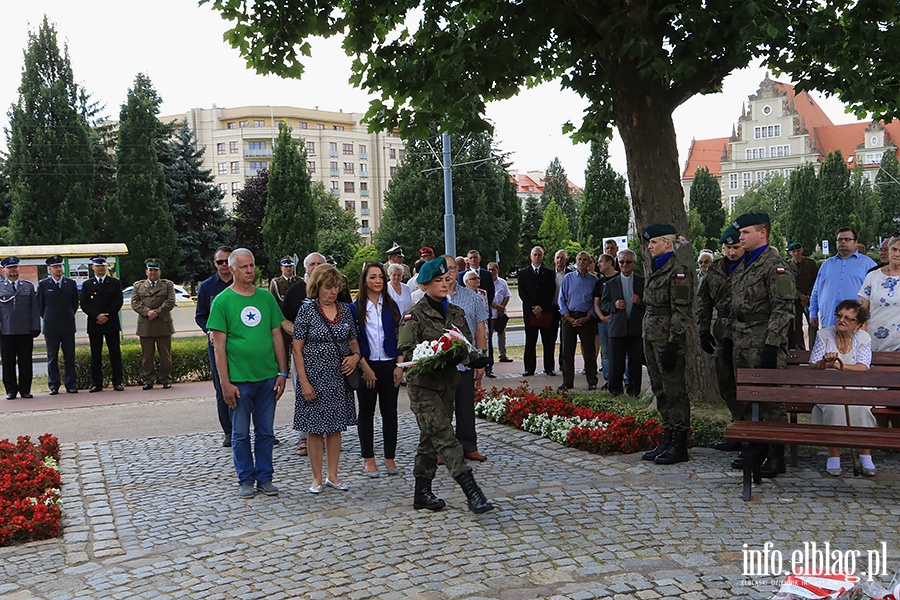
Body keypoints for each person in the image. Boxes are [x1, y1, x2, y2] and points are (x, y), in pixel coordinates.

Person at [397, 257, 493, 513]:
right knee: (444, 436)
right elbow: (407, 353)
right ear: (425, 286)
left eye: (445, 279)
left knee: (430, 440)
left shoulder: (456, 313)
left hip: (448, 385)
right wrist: (433, 355)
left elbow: (465, 347)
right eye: (437, 281)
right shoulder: (412, 316)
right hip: (424, 387)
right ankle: (472, 491)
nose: (443, 284)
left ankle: (421, 494)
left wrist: (475, 358)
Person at [207, 248, 288, 498]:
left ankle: (265, 478)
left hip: (266, 378)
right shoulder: (222, 301)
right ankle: (245, 479)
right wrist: (225, 384)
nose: (249, 270)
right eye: (243, 267)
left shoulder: (265, 298)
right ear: (231, 269)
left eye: (251, 265)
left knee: (265, 433)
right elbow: (218, 348)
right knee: (240, 434)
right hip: (239, 382)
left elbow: (277, 335)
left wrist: (282, 372)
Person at [730, 212, 795, 477]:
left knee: (771, 400)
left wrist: (772, 344)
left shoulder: (775, 265)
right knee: (746, 398)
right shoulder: (745, 263)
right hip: (742, 339)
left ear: (762, 233)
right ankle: (755, 449)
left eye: (745, 233)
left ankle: (776, 455)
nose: (740, 237)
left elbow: (783, 306)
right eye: (740, 233)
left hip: (763, 340)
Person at [293, 264, 360, 494]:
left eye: (335, 288)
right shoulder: (307, 311)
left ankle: (333, 474)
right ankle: (316, 477)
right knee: (314, 429)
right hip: (314, 377)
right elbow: (297, 349)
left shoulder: (345, 309)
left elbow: (353, 342)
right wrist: (304, 382)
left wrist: (355, 358)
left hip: (339, 378)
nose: (332, 292)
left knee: (335, 429)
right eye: (327, 287)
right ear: (317, 287)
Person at [640, 225, 694, 465]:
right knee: (660, 388)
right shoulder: (656, 267)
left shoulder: (679, 272)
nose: (649, 246)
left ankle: (679, 442)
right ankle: (667, 435)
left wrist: (673, 342)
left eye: (653, 242)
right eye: (649, 243)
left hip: (667, 339)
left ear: (668, 243)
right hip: (652, 336)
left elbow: (681, 311)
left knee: (674, 390)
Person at [808, 299, 876, 477]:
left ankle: (865, 454)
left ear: (858, 324)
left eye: (848, 318)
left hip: (856, 385)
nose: (841, 320)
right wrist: (824, 363)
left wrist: (840, 367)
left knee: (860, 406)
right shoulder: (824, 335)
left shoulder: (864, 338)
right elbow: (812, 365)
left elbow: (863, 367)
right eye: (839, 315)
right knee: (834, 405)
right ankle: (834, 454)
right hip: (828, 385)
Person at [349, 262, 402, 478]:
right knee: (367, 412)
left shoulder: (391, 305)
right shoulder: (355, 308)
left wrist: (399, 364)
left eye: (380, 276)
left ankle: (390, 457)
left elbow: (400, 335)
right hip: (367, 365)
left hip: (390, 363)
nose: (378, 281)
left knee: (390, 412)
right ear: (364, 280)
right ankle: (368, 458)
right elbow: (353, 340)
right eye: (372, 277)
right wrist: (365, 366)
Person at [697, 226, 745, 451]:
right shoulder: (715, 268)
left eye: (736, 247)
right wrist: (703, 329)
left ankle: (754, 434)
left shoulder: (752, 266)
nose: (732, 253)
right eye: (727, 248)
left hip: (747, 331)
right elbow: (704, 301)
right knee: (725, 382)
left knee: (747, 383)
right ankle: (738, 427)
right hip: (722, 330)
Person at [445, 256, 489, 460]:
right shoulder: (432, 297)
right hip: (441, 364)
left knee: (465, 406)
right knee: (442, 408)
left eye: (453, 268)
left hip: (465, 361)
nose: (449, 273)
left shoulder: (472, 297)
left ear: (458, 270)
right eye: (445, 269)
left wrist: (480, 360)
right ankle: (442, 449)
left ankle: (468, 446)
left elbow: (480, 329)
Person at [195, 246, 235, 446]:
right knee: (222, 386)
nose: (225, 265)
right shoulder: (207, 287)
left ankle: (259, 431)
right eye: (221, 262)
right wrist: (208, 331)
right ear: (215, 264)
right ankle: (229, 431)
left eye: (228, 261)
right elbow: (201, 315)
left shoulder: (242, 283)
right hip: (217, 344)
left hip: (241, 343)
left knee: (250, 386)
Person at [810, 228, 876, 330]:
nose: (843, 242)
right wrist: (813, 313)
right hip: (829, 320)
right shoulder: (827, 265)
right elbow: (816, 291)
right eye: (840, 239)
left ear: (855, 242)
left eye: (847, 239)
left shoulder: (868, 264)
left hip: (855, 322)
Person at [600, 249, 644, 397]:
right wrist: (615, 305)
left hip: (635, 328)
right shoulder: (610, 284)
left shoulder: (641, 282)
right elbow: (603, 304)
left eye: (628, 262)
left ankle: (633, 391)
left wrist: (640, 302)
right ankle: (615, 390)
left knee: (635, 362)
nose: (625, 264)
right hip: (617, 328)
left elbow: (650, 304)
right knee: (615, 362)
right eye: (622, 262)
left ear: (634, 263)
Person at [80, 256, 124, 393]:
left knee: (115, 354)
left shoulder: (115, 283)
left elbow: (118, 302)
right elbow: (84, 304)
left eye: (103, 266)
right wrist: (97, 316)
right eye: (98, 266)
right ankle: (96, 384)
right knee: (95, 354)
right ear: (93, 267)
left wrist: (107, 315)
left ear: (106, 267)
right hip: (95, 323)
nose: (100, 268)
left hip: (111, 323)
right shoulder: (87, 284)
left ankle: (117, 382)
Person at [131, 258, 176, 391]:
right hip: (145, 325)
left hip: (163, 324)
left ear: (159, 272)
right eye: (150, 270)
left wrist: (156, 312)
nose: (153, 272)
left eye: (155, 270)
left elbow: (170, 301)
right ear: (146, 271)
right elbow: (135, 303)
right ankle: (148, 380)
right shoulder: (138, 286)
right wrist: (147, 312)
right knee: (147, 356)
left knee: (165, 355)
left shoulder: (167, 285)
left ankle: (166, 379)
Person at [37, 255, 79, 395]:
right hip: (51, 326)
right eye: (55, 267)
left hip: (67, 325)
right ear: (49, 269)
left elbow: (74, 304)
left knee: (69, 357)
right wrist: (49, 317)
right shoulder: (43, 285)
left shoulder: (70, 284)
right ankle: (54, 385)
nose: (58, 269)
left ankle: (71, 384)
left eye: (60, 266)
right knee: (52, 357)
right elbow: (40, 306)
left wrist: (67, 315)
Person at [558, 251, 599, 391]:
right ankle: (567, 381)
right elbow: (561, 299)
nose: (582, 262)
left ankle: (592, 381)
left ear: (589, 262)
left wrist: (588, 316)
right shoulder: (568, 278)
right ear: (576, 261)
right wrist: (567, 316)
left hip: (586, 319)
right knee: (567, 351)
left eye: (585, 260)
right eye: (579, 259)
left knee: (589, 352)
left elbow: (596, 302)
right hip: (569, 317)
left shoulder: (594, 281)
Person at [0, 256, 40, 399]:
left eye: (15, 267)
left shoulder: (27, 286)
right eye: (10, 268)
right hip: (6, 330)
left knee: (25, 362)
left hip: (25, 330)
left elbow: (35, 309)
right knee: (8, 362)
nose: (13, 270)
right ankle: (10, 390)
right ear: (4, 270)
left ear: (18, 269)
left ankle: (25, 390)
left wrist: (36, 327)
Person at [517, 246, 558, 377]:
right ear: (530, 256)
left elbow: (552, 291)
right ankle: (529, 368)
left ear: (543, 257)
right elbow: (522, 292)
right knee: (530, 341)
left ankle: (549, 368)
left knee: (548, 341)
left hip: (546, 311)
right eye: (535, 255)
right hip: (530, 312)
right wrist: (533, 308)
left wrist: (541, 307)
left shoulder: (549, 272)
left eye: (539, 255)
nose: (537, 257)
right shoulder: (523, 272)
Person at [858, 234, 900, 352]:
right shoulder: (873, 276)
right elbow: (862, 310)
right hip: (874, 343)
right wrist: (863, 337)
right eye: (894, 249)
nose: (897, 254)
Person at [787, 241, 819, 351]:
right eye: (793, 251)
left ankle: (814, 349)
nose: (796, 253)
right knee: (796, 326)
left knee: (813, 324)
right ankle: (800, 349)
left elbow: (816, 280)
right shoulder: (787, 266)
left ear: (802, 250)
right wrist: (800, 295)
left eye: (798, 251)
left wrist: (809, 295)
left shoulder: (811, 263)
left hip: (810, 298)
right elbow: (788, 283)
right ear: (790, 253)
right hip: (796, 300)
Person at [592, 254, 619, 389]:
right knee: (606, 353)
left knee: (622, 352)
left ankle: (625, 379)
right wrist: (602, 317)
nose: (598, 264)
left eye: (601, 262)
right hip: (604, 322)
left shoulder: (620, 278)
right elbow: (596, 303)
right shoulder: (599, 283)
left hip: (619, 321)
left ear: (609, 263)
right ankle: (609, 379)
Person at [487, 262, 512, 363]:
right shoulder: (486, 282)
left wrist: (502, 308)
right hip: (490, 313)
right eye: (489, 269)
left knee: (502, 336)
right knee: (488, 337)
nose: (492, 272)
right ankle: (489, 357)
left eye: (493, 269)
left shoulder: (502, 282)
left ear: (498, 270)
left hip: (501, 314)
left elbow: (507, 295)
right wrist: (496, 306)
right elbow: (487, 297)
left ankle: (502, 355)